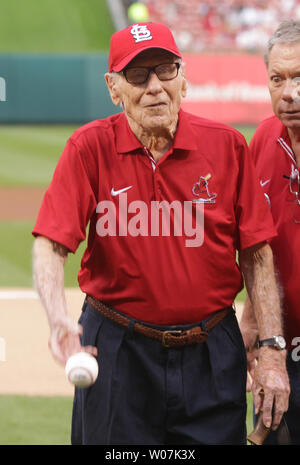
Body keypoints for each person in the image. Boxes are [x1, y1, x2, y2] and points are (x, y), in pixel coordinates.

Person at [32, 22, 289, 445]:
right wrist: (59, 319)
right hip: (117, 352)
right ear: (114, 89)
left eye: (165, 70)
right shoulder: (88, 148)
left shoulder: (226, 146)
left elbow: (258, 254)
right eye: (137, 75)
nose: (154, 86)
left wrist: (273, 352)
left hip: (211, 351)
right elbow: (51, 244)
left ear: (183, 80)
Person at [240, 19, 300, 445]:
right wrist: (252, 323)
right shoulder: (263, 139)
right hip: (280, 350)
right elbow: (259, 245)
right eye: (277, 79)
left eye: (299, 77)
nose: (288, 92)